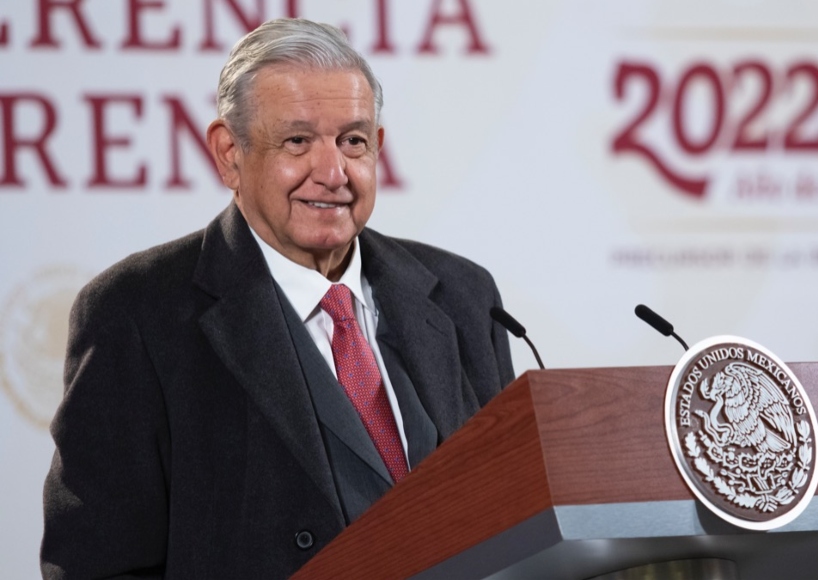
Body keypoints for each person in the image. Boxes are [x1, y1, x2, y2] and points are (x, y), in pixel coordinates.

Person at [41, 18, 514, 579]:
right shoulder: (136, 313)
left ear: (378, 149)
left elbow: (517, 510)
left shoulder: (463, 294)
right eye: (297, 141)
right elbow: (95, 567)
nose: (333, 172)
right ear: (228, 154)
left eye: (353, 141)